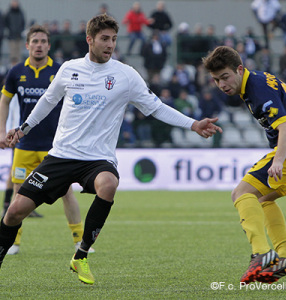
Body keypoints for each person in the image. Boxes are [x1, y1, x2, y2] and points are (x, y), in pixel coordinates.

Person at [0, 14, 222, 285]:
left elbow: (154, 107)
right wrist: (22, 129)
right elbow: (47, 101)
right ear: (89, 39)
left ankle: (80, 255)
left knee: (108, 184)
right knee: (14, 212)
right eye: (104, 39)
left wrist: (193, 124)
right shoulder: (69, 69)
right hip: (61, 155)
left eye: (114, 39)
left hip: (98, 159)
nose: (110, 44)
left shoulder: (126, 75)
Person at [203, 45, 286, 284]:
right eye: (216, 80)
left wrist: (278, 160)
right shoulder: (255, 81)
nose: (221, 84)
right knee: (263, 199)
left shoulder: (256, 88)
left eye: (225, 77)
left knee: (242, 193)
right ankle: (285, 256)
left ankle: (261, 253)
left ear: (239, 69)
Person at [0, 24, 94, 255]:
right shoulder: (16, 72)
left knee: (66, 192)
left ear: (49, 46)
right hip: (24, 146)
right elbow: (4, 101)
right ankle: (14, 242)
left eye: (43, 41)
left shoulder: (62, 71)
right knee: (18, 190)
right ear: (27, 45)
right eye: (35, 41)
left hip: (56, 146)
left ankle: (79, 241)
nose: (39, 45)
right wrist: (2, 131)